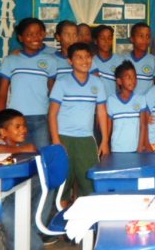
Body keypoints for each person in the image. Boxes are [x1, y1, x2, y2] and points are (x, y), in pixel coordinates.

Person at [0, 108, 46, 248]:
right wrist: (24, 149)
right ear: (3, 132)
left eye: (24, 125)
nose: (24, 130)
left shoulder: (15, 145)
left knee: (44, 181)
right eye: (17, 127)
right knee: (34, 245)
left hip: (11, 193)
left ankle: (31, 226)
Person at [49, 42, 109, 201]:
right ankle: (60, 218)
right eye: (79, 57)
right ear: (70, 61)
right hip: (64, 138)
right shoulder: (62, 83)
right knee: (63, 182)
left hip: (86, 139)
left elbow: (102, 113)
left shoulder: (97, 83)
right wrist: (56, 140)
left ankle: (86, 222)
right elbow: (52, 113)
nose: (84, 61)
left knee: (89, 183)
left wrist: (105, 141)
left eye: (88, 57)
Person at [0, 17, 57, 149]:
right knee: (20, 156)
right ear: (20, 38)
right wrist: (2, 122)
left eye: (38, 33)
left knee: (42, 156)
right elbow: (2, 93)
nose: (35, 37)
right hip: (15, 120)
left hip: (42, 118)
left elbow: (53, 92)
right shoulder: (11, 60)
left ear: (43, 35)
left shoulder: (50, 61)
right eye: (29, 34)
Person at [107, 60, 147, 152]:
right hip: (116, 150)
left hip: (135, 149)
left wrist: (140, 148)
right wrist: (106, 145)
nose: (132, 80)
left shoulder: (141, 99)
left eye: (134, 77)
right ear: (119, 81)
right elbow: (108, 127)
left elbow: (143, 126)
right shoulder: (111, 100)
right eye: (128, 77)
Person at [90, 24, 124, 95]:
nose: (106, 41)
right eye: (102, 38)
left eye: (109, 38)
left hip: (114, 104)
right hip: (96, 104)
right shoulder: (90, 62)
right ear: (95, 41)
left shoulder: (120, 61)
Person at [125, 22, 155, 94]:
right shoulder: (123, 59)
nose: (145, 40)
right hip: (128, 103)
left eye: (148, 36)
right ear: (132, 39)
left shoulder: (153, 60)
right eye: (141, 36)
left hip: (146, 104)